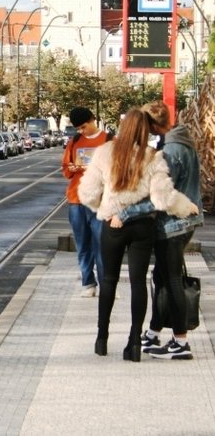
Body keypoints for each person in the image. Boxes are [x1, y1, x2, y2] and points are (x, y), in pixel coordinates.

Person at [78, 108, 199, 361]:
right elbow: (162, 199)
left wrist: (105, 210)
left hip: (112, 225)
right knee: (138, 283)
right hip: (143, 228)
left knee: (108, 281)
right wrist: (188, 207)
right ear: (145, 131)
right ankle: (134, 343)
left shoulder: (104, 153)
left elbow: (87, 193)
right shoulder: (152, 157)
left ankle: (102, 339)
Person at [137, 101, 205, 360]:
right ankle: (154, 333)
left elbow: (164, 192)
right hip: (184, 220)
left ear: (154, 124)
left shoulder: (171, 150)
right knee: (162, 277)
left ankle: (181, 341)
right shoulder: (182, 141)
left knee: (172, 279)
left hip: (173, 222)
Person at [61, 106, 110, 298]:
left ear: (92, 120)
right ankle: (88, 282)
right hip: (76, 198)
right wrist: (72, 168)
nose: (81, 131)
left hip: (99, 199)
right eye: (78, 129)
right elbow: (66, 170)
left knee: (101, 244)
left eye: (83, 127)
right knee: (83, 244)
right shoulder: (74, 141)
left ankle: (106, 284)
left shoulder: (108, 140)